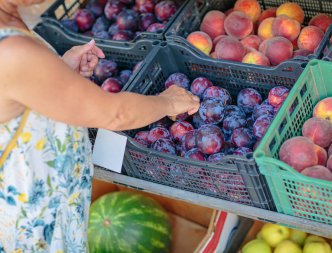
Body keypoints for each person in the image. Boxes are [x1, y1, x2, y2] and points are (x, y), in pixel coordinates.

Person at [0, 0, 200, 251]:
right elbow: (115, 114)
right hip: (32, 218)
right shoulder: (11, 51)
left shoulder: (9, 24)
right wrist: (168, 102)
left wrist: (60, 72)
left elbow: (19, 92)